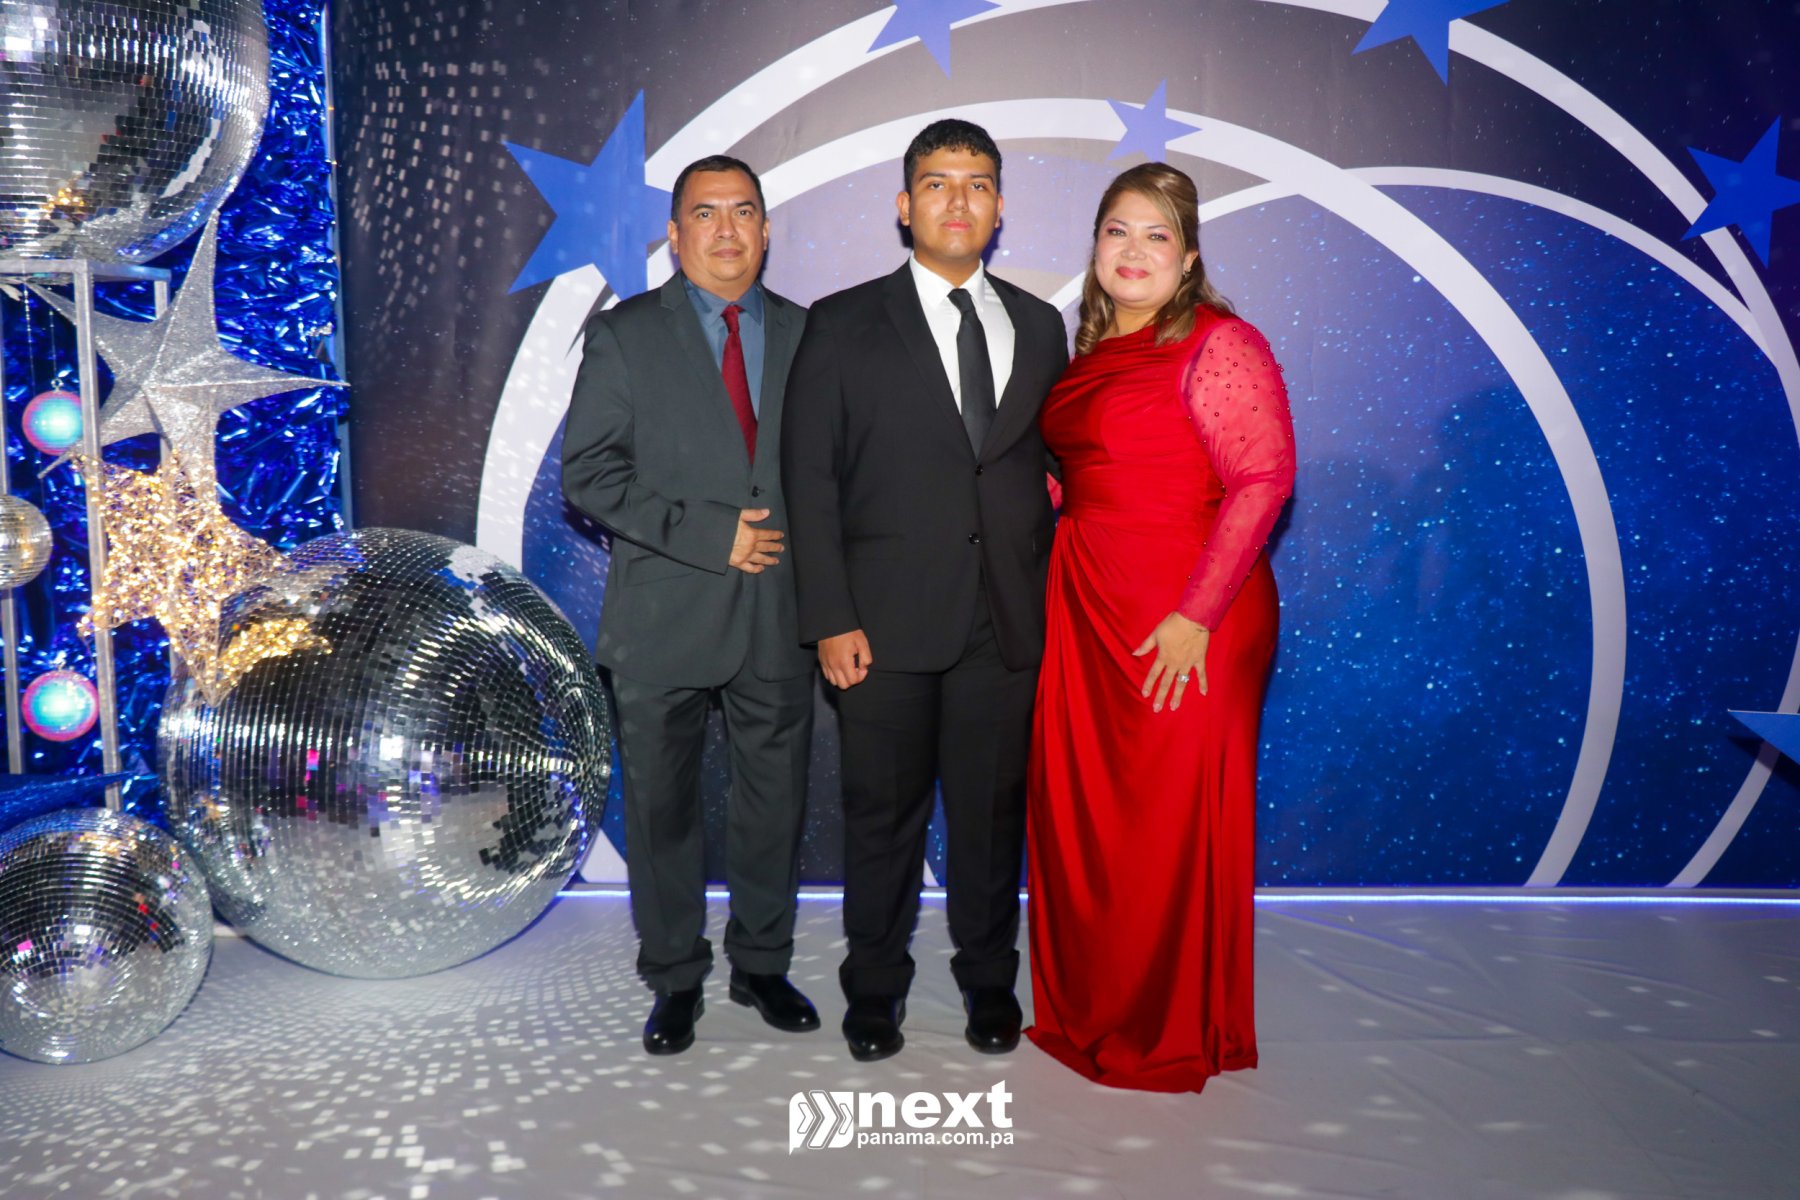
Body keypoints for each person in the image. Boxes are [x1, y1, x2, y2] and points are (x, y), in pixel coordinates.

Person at [781, 119, 1069, 1062]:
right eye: (939, 183)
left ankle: (990, 984)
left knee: (991, 823)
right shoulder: (841, 322)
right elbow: (810, 481)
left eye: (977, 184)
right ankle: (874, 991)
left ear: (999, 207)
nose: (959, 200)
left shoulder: (1040, 324)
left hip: (1005, 626)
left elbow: (1052, 467)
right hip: (881, 629)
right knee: (882, 823)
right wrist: (830, 617)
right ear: (906, 207)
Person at [1026, 162, 1295, 1092]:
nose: (1133, 251)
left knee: (1167, 823)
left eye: (1157, 235)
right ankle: (1093, 1008)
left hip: (1190, 615)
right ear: (1096, 247)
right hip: (1088, 608)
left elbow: (1263, 479)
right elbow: (1079, 475)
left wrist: (1195, 615)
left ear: (1187, 259)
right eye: (1117, 231)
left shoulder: (1221, 342)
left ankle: (1169, 1026)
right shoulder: (1088, 354)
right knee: (1096, 823)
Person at [562, 155, 819, 1056]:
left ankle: (761, 964)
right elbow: (589, 474)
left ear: (766, 229)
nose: (726, 229)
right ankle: (674, 977)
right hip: (662, 618)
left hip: (781, 613)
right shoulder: (625, 335)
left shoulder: (809, 333)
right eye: (705, 213)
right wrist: (713, 536)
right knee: (663, 811)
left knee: (773, 804)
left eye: (743, 211)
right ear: (674, 235)